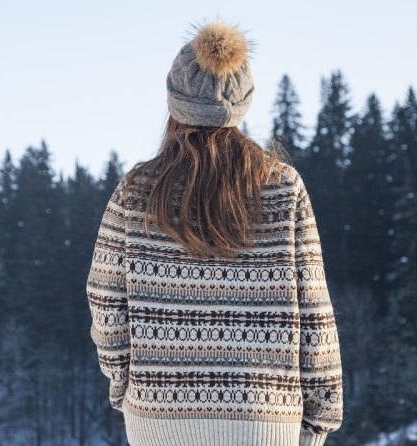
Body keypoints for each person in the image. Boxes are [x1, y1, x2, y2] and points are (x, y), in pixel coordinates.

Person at [86, 18, 344, 446]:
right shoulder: (283, 188)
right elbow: (315, 312)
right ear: (242, 104)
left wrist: (127, 389)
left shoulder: (135, 193)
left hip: (158, 419)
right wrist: (318, 422)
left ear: (174, 103)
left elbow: (106, 305)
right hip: (265, 421)